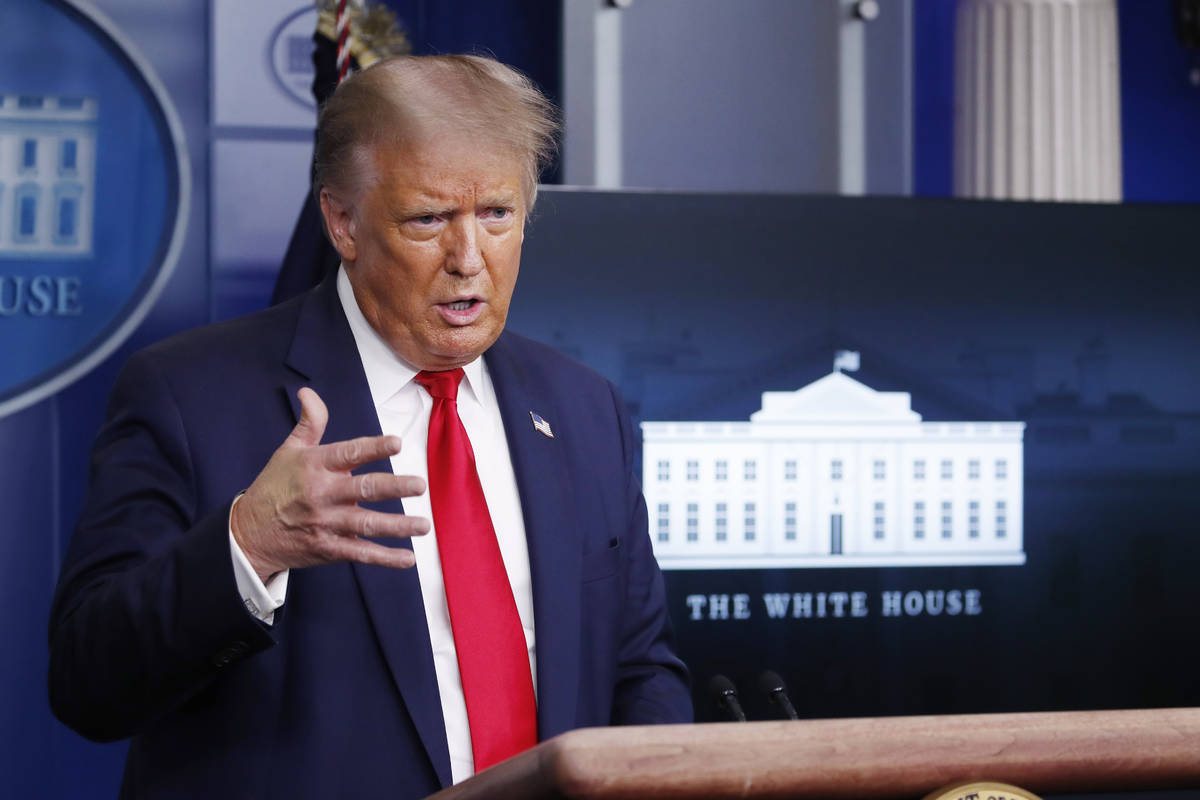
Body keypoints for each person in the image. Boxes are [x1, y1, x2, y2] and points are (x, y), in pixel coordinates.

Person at [48, 55, 691, 799]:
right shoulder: (190, 396)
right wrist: (249, 545)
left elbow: (639, 668)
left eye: (497, 215)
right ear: (342, 222)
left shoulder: (585, 409)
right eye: (429, 219)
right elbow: (86, 683)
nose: (468, 259)